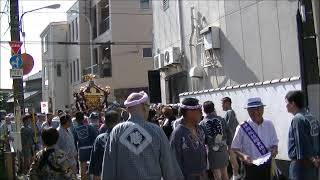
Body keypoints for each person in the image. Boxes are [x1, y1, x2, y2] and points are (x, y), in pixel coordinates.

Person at [101, 91, 183, 180]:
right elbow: (169, 166)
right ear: (144, 107)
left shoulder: (117, 131)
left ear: (128, 109)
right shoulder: (156, 131)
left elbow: (109, 165)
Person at [231, 97, 278, 180]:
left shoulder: (269, 124)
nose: (255, 112)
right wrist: (243, 156)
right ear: (248, 111)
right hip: (249, 166)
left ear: (263, 109)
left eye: (258, 109)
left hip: (267, 166)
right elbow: (234, 148)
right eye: (252, 110)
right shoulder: (242, 127)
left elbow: (274, 143)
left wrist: (274, 149)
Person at [285, 90, 320, 180]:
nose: (286, 105)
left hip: (301, 165)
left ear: (293, 103)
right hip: (314, 164)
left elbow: (301, 144)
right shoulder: (311, 117)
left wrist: (311, 160)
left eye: (287, 102)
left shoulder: (297, 119)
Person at [170, 98, 207, 180]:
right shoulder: (178, 133)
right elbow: (174, 162)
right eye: (199, 111)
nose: (201, 113)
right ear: (189, 113)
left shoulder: (200, 129)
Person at [200, 101, 232, 180]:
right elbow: (229, 132)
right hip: (223, 148)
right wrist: (229, 145)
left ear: (204, 110)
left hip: (212, 150)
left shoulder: (202, 123)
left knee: (217, 174)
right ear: (213, 108)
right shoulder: (221, 119)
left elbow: (202, 139)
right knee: (225, 172)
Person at [89, 110, 121, 180]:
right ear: (119, 122)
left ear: (105, 122)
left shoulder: (100, 138)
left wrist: (93, 172)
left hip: (102, 173)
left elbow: (95, 158)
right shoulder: (123, 139)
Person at [73, 111, 97, 180]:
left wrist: (76, 152)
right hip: (91, 150)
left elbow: (75, 142)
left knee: (83, 170)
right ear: (83, 118)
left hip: (82, 150)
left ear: (76, 119)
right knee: (92, 168)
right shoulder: (90, 127)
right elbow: (95, 138)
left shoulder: (75, 129)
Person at [221, 97, 241, 180]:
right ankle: (235, 174)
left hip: (232, 141)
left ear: (227, 103)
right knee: (232, 158)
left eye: (222, 104)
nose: (221, 106)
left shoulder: (230, 113)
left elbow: (230, 128)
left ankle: (236, 174)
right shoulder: (229, 113)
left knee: (232, 158)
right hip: (232, 140)